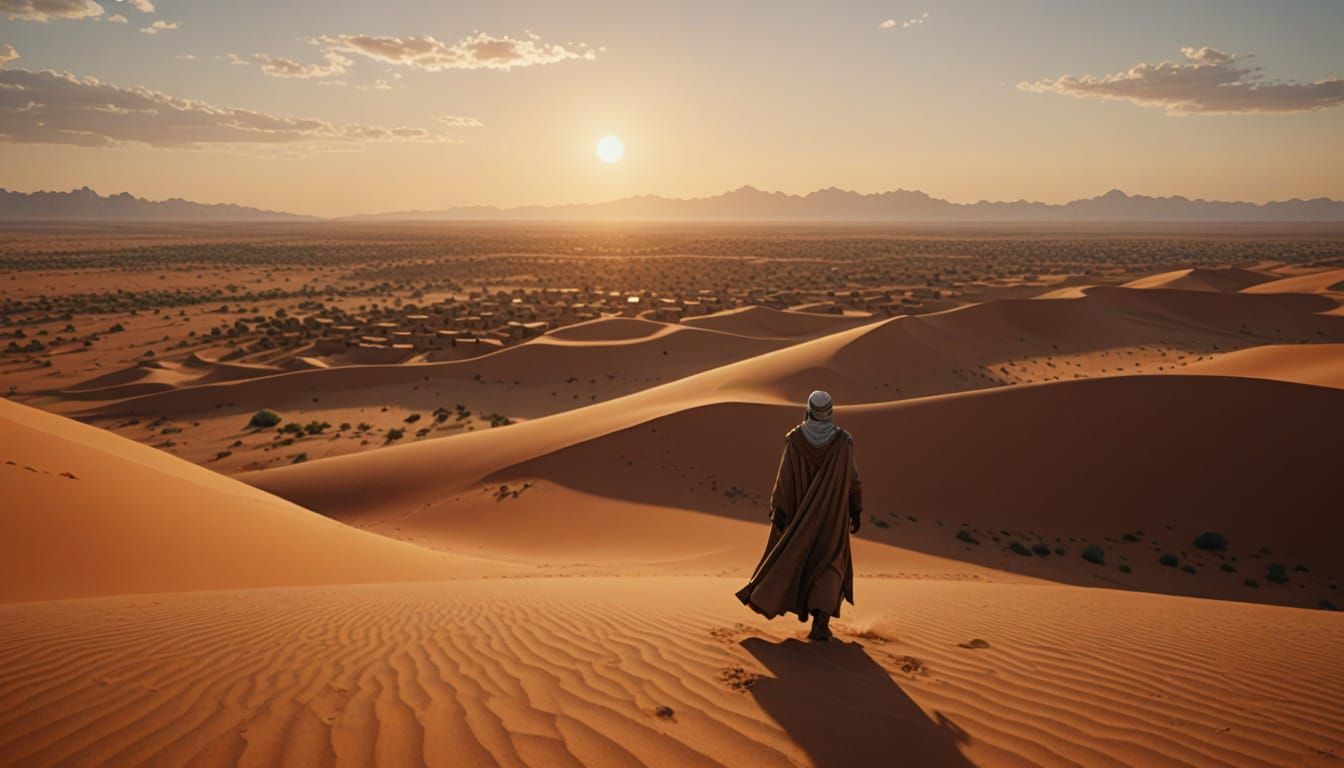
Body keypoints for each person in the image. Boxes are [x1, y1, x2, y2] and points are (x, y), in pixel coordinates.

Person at [736, 390, 862, 641]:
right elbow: (853, 479)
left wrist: (779, 509)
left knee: (795, 558)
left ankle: (797, 611)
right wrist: (855, 509)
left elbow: (784, 479)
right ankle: (821, 623)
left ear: (808, 410)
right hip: (832, 518)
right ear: (830, 412)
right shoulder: (842, 442)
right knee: (830, 561)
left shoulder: (794, 439)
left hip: (800, 520)